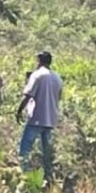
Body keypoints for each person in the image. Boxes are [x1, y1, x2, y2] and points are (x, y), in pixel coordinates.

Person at [16, 51, 63, 179]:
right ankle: (48, 174)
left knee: (25, 148)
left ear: (39, 61)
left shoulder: (37, 75)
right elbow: (58, 97)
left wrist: (19, 111)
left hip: (36, 118)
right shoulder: (57, 77)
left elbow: (28, 95)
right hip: (50, 119)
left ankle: (24, 174)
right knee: (46, 150)